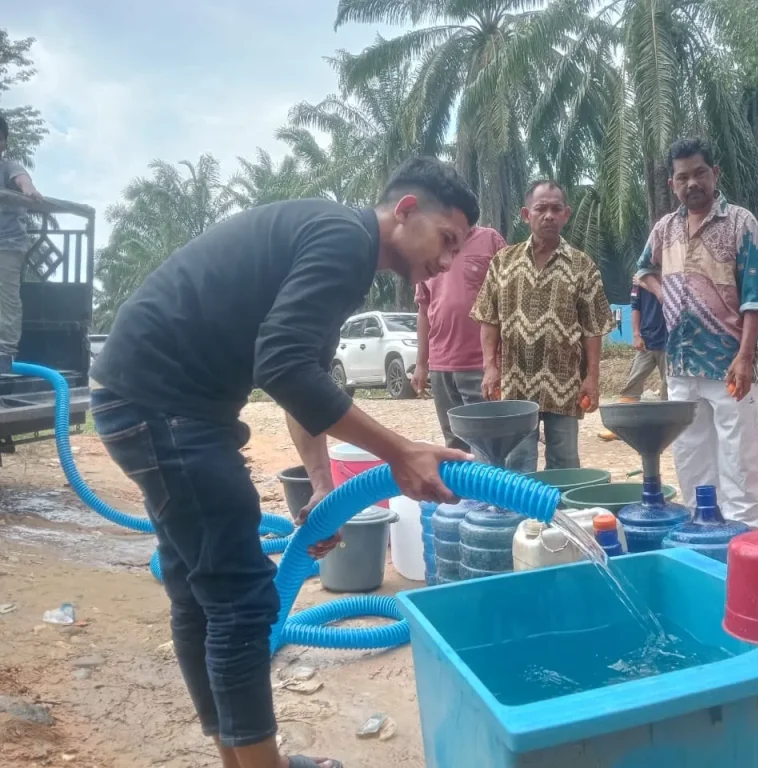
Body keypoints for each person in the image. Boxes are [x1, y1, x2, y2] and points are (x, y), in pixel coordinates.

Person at [90, 156, 480, 768]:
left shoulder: (335, 237)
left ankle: (241, 758)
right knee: (242, 600)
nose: (449, 261)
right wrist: (401, 452)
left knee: (201, 593)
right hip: (165, 408)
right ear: (405, 211)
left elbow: (301, 375)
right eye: (447, 240)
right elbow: (284, 367)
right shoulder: (347, 241)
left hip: (148, 400)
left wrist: (326, 484)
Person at [637, 138, 758, 527]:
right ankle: (701, 532)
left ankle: (744, 539)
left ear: (715, 174)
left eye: (699, 173)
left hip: (729, 363)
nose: (691, 183)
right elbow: (644, 270)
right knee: (690, 456)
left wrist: (745, 358)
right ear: (671, 184)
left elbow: (756, 298)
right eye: (682, 177)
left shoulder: (742, 223)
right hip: (679, 365)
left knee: (739, 459)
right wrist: (668, 297)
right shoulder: (665, 228)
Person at [472, 180, 614, 473]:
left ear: (566, 214)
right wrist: (489, 366)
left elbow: (594, 327)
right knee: (518, 461)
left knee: (564, 463)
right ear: (527, 214)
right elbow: (488, 317)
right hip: (516, 384)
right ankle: (522, 518)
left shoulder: (582, 266)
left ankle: (562, 518)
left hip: (564, 384)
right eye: (541, 208)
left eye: (556, 209)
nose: (548, 215)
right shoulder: (503, 262)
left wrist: (593, 378)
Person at [411, 225, 506, 450]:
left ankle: (487, 487)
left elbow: (510, 296)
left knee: (487, 443)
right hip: (441, 366)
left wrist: (497, 361)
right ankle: (460, 487)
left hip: (481, 365)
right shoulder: (429, 247)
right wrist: (421, 364)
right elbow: (424, 311)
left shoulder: (490, 240)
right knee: (454, 442)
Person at [598, 277, 667, 441]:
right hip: (647, 340)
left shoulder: (673, 272)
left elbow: (668, 298)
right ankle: (621, 428)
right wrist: (636, 334)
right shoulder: (640, 279)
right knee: (633, 382)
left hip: (670, 342)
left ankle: (666, 429)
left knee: (669, 388)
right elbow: (636, 306)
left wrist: (645, 283)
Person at [0, 115, 44, 373]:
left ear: (3, 143)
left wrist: (29, 191)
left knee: (6, 297)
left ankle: (4, 352)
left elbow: (23, 181)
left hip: (7, 244)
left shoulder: (9, 167)